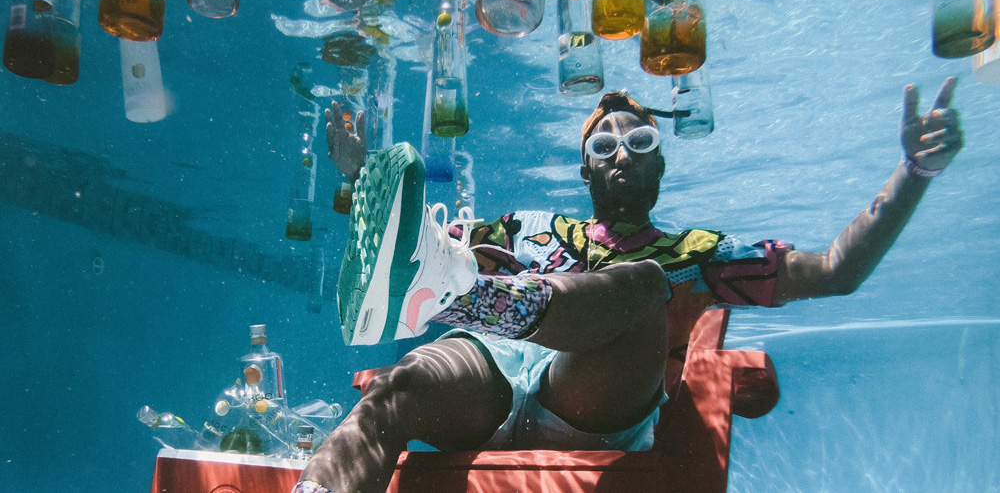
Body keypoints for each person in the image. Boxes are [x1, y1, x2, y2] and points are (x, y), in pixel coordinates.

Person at [294, 78, 964, 493]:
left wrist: (914, 174)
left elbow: (837, 271)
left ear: (661, 167)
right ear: (585, 173)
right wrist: (358, 177)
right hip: (488, 386)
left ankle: (468, 296)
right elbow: (399, 242)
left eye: (638, 143)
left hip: (592, 410)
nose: (620, 154)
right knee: (398, 387)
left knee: (646, 285)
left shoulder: (697, 253)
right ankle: (457, 293)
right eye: (603, 147)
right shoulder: (531, 229)